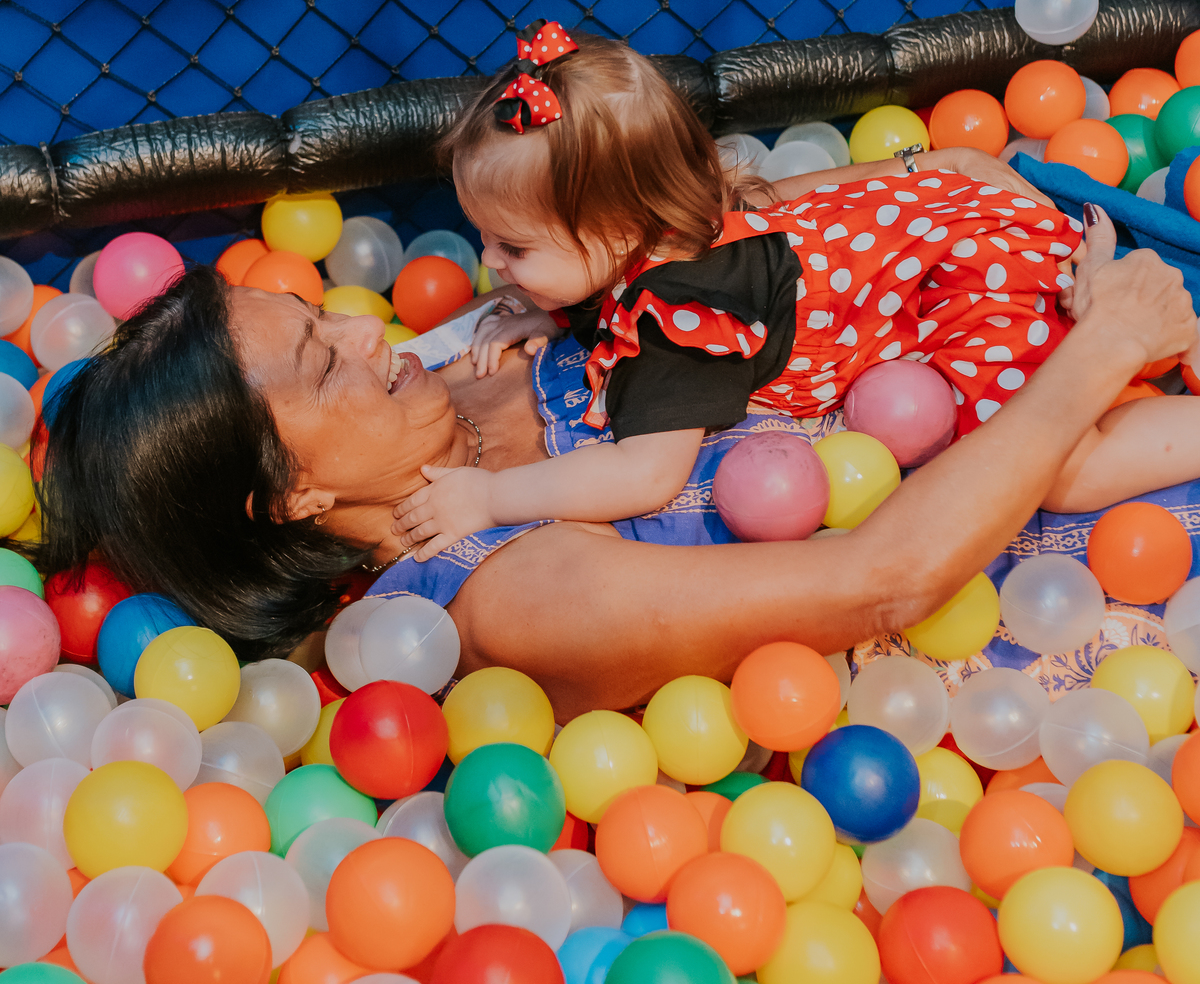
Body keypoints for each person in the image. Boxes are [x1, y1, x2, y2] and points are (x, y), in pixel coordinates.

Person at [30, 220, 1199, 719]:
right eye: (319, 363)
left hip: (1022, 378)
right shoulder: (507, 596)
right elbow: (886, 578)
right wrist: (1099, 353)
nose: (359, 329)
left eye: (314, 313)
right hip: (1089, 578)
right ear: (293, 497)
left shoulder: (473, 369)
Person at [393, 22, 1197, 561]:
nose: (489, 262)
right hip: (955, 225)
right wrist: (556, 302)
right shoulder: (673, 224)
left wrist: (493, 496)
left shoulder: (686, 318)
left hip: (971, 280)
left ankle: (1119, 340)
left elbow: (644, 474)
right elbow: (607, 275)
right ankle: (1080, 292)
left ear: (615, 233)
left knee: (1055, 470)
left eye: (514, 247)